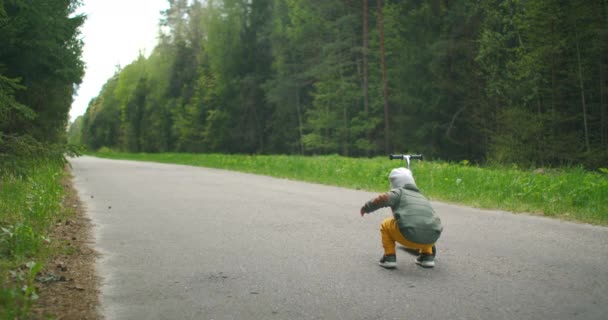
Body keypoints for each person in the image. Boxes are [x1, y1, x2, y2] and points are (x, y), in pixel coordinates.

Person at [360, 167, 443, 269]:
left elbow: (383, 199)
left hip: (408, 235)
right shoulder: (421, 196)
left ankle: (389, 257)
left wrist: (366, 208)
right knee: (425, 222)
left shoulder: (399, 192)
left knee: (386, 224)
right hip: (432, 237)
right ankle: (427, 256)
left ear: (395, 184)